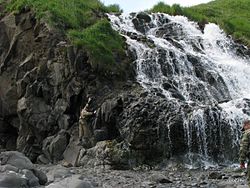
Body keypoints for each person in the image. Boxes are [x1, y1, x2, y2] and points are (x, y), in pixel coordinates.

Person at [239, 119, 250, 187]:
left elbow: (243, 148)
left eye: (244, 127)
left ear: (247, 125)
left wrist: (242, 162)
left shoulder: (247, 133)